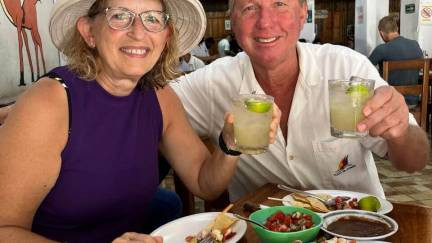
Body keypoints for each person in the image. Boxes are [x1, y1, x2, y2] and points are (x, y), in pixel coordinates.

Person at [0, 0, 280, 242]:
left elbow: (204, 183)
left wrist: (230, 144)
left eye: (152, 19)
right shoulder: (51, 101)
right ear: (89, 32)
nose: (138, 32)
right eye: (119, 15)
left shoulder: (159, 97)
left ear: (166, 36)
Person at [171, 0, 430, 202]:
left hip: (355, 228)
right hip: (263, 232)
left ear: (303, 14)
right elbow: (151, 104)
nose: (265, 22)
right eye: (250, 7)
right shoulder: (212, 83)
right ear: (233, 21)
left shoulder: (346, 67)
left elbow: (415, 161)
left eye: (280, 4)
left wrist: (401, 133)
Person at [369, 16, 423, 107]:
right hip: (413, 102)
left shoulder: (382, 49)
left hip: (391, 103)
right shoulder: (415, 44)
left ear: (381, 33)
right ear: (397, 28)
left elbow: (365, 67)